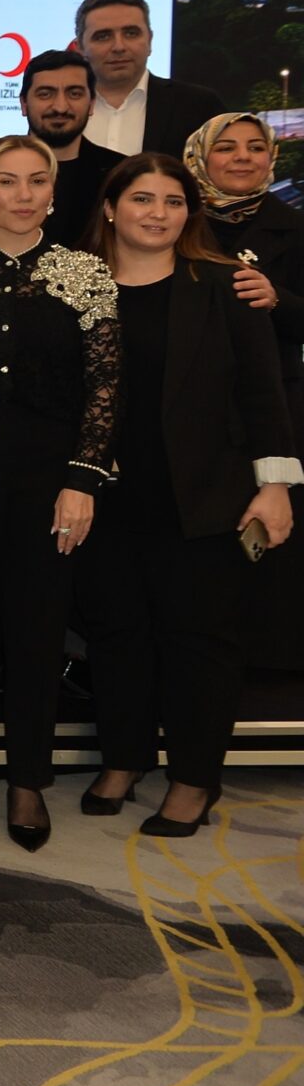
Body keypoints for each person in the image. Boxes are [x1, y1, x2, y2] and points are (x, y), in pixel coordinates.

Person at [79, 155, 298, 836]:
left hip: (204, 495)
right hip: (105, 495)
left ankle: (194, 778)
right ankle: (123, 759)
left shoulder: (225, 284)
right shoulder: (78, 284)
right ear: (111, 208)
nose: (158, 214)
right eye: (142, 199)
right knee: (116, 634)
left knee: (200, 641)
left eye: (173, 202)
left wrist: (275, 486)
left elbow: (262, 391)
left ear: (189, 213)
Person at [0, 135, 119, 850]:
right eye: (7, 180)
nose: (22, 194)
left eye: (36, 181)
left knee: (38, 630)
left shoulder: (85, 272)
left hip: (52, 481)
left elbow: (105, 387)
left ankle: (27, 779)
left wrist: (82, 481)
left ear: (53, 191)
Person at [184, 111, 304, 671]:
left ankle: (271, 666)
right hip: (193, 407)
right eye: (227, 147)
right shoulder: (175, 219)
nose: (242, 157)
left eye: (255, 147)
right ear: (200, 157)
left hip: (274, 407)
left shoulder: (294, 225)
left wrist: (278, 299)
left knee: (271, 537)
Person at [78, 0, 225, 160]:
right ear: (80, 47)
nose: (119, 47)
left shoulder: (199, 105)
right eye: (103, 36)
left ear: (149, 40)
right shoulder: (57, 108)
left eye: (131, 34)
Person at [16, 51, 128, 248]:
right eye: (45, 94)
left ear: (92, 104)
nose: (60, 107)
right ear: (24, 103)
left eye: (74, 94)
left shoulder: (121, 172)